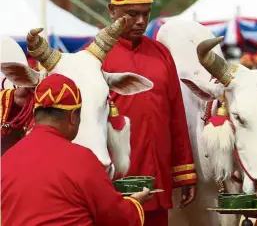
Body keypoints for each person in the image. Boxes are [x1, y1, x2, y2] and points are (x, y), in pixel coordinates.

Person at [101, 0, 197, 225]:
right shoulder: (95, 56)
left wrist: (185, 173)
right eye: (132, 14)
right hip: (113, 184)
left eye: (146, 14)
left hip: (157, 175)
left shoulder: (162, 54)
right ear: (112, 11)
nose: (141, 21)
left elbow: (177, 116)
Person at [1, 73, 152, 226]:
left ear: (36, 114)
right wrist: (135, 203)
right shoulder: (83, 159)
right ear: (73, 117)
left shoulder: (6, 159)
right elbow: (117, 218)